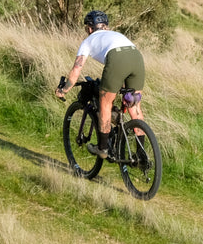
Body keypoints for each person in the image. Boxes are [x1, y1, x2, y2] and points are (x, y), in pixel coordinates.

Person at [55, 10, 145, 158]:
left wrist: (63, 90)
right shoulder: (116, 35)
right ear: (105, 26)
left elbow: (76, 69)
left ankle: (102, 148)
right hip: (136, 57)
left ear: (90, 28)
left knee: (105, 104)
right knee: (133, 107)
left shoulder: (88, 41)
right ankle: (141, 154)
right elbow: (126, 62)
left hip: (117, 59)